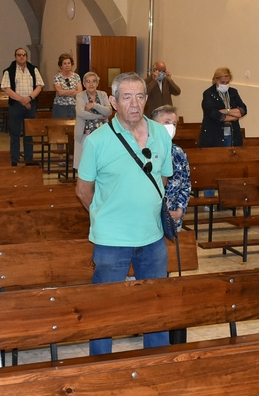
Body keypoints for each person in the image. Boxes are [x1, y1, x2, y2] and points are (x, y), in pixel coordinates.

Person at [76, 72, 173, 355]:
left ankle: (156, 362)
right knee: (105, 310)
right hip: (111, 241)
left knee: (155, 306)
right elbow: (83, 191)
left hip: (152, 237)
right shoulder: (98, 140)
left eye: (139, 96)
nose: (134, 103)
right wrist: (106, 215)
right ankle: (101, 365)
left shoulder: (160, 134)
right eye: (126, 97)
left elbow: (162, 180)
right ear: (114, 101)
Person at [0, 47, 44, 165]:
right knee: (15, 134)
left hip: (30, 105)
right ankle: (14, 160)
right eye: (19, 55)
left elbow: (39, 86)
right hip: (15, 106)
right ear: (15, 57)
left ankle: (28, 159)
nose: (21, 57)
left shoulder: (33, 69)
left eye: (23, 55)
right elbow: (7, 89)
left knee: (29, 134)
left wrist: (29, 99)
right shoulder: (9, 71)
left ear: (27, 57)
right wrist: (22, 100)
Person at [152, 105, 190, 232]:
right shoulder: (146, 151)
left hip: (174, 214)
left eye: (174, 123)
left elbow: (185, 184)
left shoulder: (178, 152)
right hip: (150, 215)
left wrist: (180, 209)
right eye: (166, 122)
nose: (171, 127)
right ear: (154, 124)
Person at [198, 67, 247, 148]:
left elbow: (243, 110)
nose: (225, 85)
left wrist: (225, 111)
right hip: (214, 135)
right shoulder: (209, 94)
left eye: (227, 82)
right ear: (216, 80)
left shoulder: (233, 92)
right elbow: (216, 115)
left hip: (233, 134)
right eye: (222, 82)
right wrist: (234, 116)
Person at [73, 71, 111, 169]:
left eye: (94, 81)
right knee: (86, 164)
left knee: (101, 163)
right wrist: (99, 116)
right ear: (84, 84)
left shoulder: (103, 94)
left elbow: (108, 112)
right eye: (88, 81)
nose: (91, 84)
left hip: (102, 134)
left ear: (97, 83)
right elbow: (81, 113)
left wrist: (94, 105)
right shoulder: (80, 96)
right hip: (85, 134)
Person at [52, 53, 82, 118]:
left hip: (74, 105)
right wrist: (73, 90)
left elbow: (79, 92)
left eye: (69, 63)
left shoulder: (76, 76)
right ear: (61, 65)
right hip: (60, 106)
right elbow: (60, 92)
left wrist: (65, 92)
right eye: (64, 63)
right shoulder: (57, 77)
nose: (67, 65)